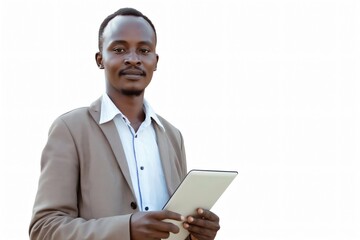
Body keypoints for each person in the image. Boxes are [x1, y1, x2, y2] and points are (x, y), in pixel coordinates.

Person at [29, 7, 220, 240]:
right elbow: (44, 229)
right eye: (119, 49)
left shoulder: (172, 136)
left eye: (144, 50)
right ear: (100, 59)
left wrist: (196, 232)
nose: (133, 58)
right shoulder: (70, 129)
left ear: (155, 61)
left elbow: (174, 227)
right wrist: (126, 229)